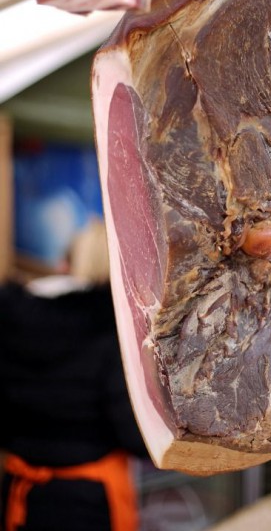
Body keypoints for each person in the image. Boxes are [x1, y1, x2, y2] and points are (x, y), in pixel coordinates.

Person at [0, 219, 147, 531]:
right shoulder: (110, 331)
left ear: (65, 261)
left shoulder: (11, 318)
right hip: (89, 503)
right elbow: (133, 436)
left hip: (21, 494)